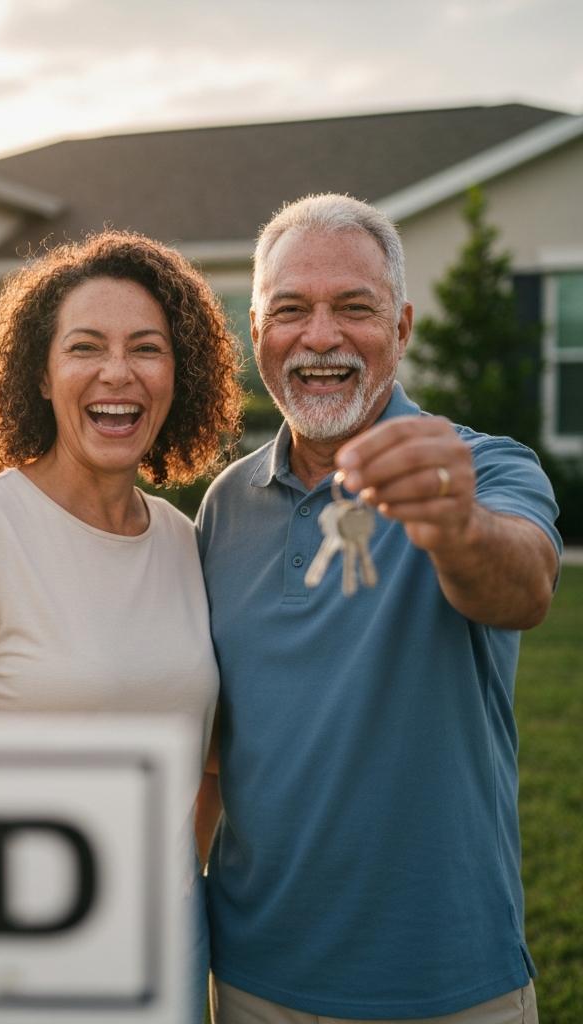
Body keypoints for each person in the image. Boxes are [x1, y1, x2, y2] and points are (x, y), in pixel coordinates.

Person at [196, 194, 561, 1024]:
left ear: (400, 329)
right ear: (258, 333)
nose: (319, 337)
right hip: (252, 977)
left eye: (352, 308)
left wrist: (453, 521)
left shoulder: (487, 470)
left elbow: (523, 585)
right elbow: (216, 746)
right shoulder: (225, 506)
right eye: (290, 310)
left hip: (445, 980)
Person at [0, 229, 242, 1022]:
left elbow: (207, 762)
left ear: (177, 378)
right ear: (40, 377)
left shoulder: (187, 545)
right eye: (86, 347)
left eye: (146, 349)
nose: (118, 372)